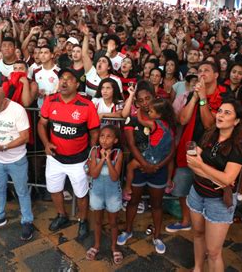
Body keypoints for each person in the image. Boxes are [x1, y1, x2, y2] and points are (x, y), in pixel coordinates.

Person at [38, 68, 100, 240]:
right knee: (55, 189)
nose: (64, 82)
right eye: (61, 79)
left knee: (81, 193)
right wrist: (46, 143)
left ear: (77, 84)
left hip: (78, 160)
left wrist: (89, 152)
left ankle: (83, 220)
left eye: (69, 79)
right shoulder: (50, 100)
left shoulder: (87, 105)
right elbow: (41, 124)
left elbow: (95, 132)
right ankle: (61, 215)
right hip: (55, 159)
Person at [186, 100, 242, 272]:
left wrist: (203, 166)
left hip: (218, 202)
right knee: (198, 235)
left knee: (213, 252)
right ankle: (197, 268)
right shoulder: (209, 134)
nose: (220, 115)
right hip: (197, 192)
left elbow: (227, 179)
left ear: (236, 121)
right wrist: (219, 179)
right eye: (220, 111)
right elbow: (191, 162)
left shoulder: (239, 145)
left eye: (227, 113)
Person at [168, 62, 226, 233]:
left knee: (206, 188)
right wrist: (194, 97)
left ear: (216, 75)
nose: (202, 74)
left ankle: (204, 224)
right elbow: (182, 120)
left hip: (211, 152)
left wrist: (202, 99)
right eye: (199, 71)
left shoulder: (223, 96)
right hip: (189, 147)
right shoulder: (191, 94)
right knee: (182, 185)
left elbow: (210, 124)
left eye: (206, 70)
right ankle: (186, 220)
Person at [119, 94, 175, 254]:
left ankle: (157, 236)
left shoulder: (154, 123)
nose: (145, 105)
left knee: (157, 205)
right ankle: (128, 230)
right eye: (140, 101)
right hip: (145, 165)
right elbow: (130, 143)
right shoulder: (167, 125)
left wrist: (156, 167)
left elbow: (172, 151)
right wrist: (148, 165)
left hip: (156, 166)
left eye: (148, 103)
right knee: (133, 202)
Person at [0, 86, 34, 240]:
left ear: (4, 100)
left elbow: (25, 137)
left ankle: (27, 221)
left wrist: (5, 147)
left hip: (17, 159)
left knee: (22, 191)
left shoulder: (17, 110)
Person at [86, 125, 124, 265]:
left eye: (109, 137)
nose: (104, 139)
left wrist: (108, 160)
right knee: (97, 221)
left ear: (115, 140)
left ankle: (114, 246)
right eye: (102, 136)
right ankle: (96, 245)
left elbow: (115, 177)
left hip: (112, 193)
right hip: (97, 192)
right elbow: (94, 174)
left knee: (113, 223)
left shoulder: (118, 153)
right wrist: (102, 159)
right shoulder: (94, 151)